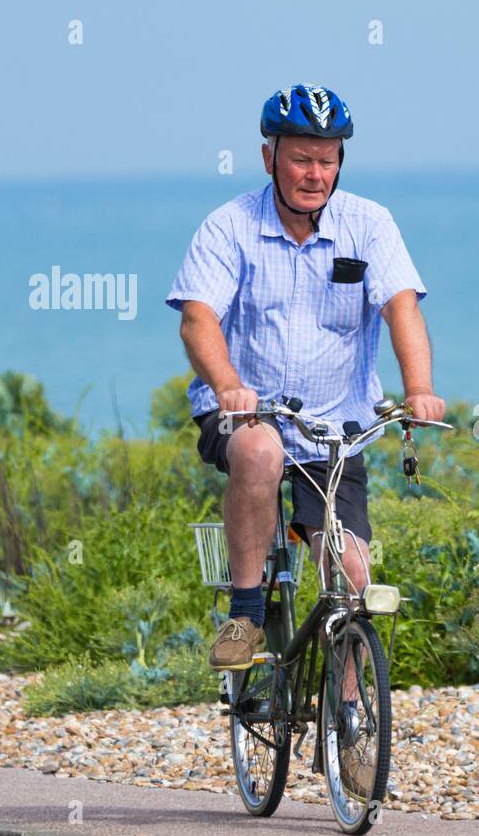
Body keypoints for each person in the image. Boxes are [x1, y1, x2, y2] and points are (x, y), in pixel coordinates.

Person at [166, 83, 445, 680]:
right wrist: (228, 385)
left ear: (341, 161)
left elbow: (402, 307)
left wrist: (419, 387)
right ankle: (245, 614)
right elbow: (198, 320)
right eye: (300, 158)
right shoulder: (228, 227)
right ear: (270, 158)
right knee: (261, 452)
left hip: (334, 425)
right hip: (245, 411)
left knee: (351, 578)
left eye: (327, 159)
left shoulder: (369, 224)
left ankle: (349, 718)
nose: (314, 173)